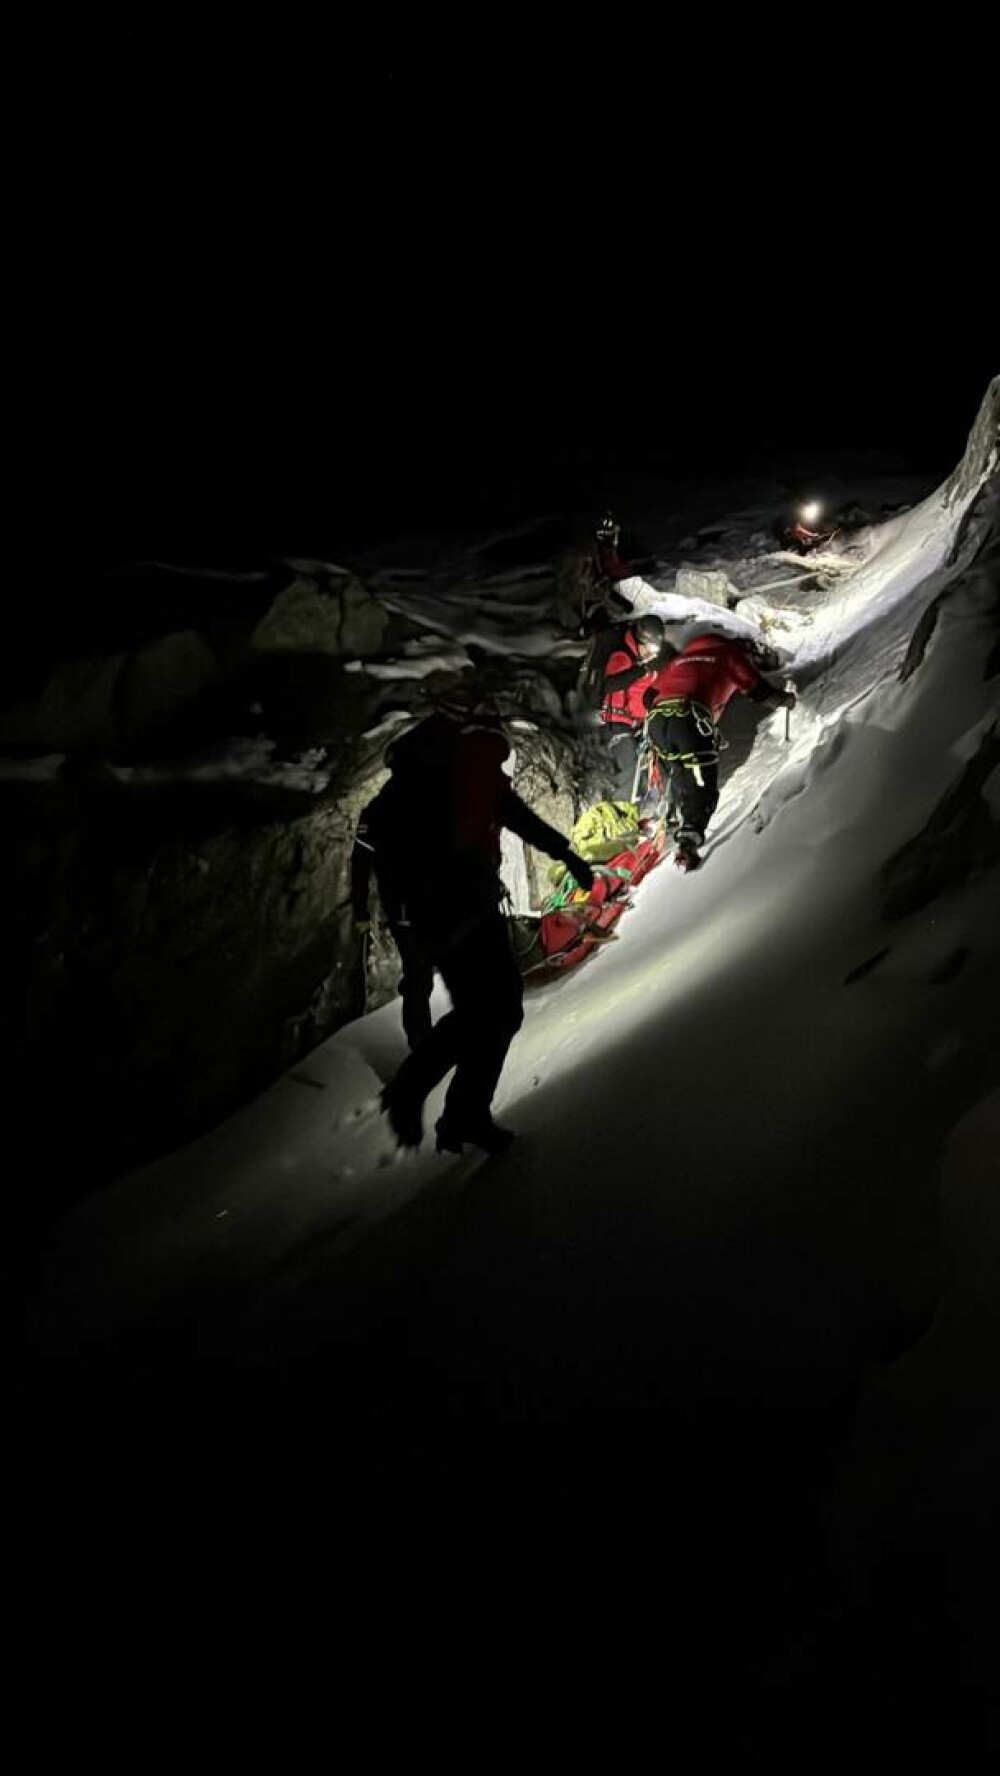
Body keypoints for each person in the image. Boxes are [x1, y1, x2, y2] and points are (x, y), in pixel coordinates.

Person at [369, 703, 595, 1154]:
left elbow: (386, 866)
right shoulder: (473, 764)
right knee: (496, 1011)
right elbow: (519, 818)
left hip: (432, 917)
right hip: (468, 903)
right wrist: (567, 855)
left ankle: (458, 1114)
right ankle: (424, 1093)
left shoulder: (404, 790)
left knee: (486, 1012)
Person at [641, 633, 795, 870]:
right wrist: (787, 701)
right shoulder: (728, 655)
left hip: (658, 722)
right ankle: (689, 843)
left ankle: (676, 822)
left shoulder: (681, 660)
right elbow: (760, 692)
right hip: (689, 716)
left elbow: (648, 696)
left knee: (681, 774)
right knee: (704, 786)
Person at [352, 797, 436, 1048]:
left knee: (422, 974)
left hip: (424, 903)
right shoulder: (379, 811)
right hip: (405, 907)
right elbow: (360, 863)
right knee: (418, 975)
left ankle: (427, 1041)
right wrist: (361, 912)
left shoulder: (420, 801)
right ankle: (421, 1044)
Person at [596, 615, 674, 796]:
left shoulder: (642, 663)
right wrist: (642, 670)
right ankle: (620, 812)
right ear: (639, 640)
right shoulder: (622, 657)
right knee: (629, 771)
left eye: (652, 650)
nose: (649, 654)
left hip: (635, 726)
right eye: (646, 648)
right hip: (614, 724)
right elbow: (610, 685)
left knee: (649, 769)